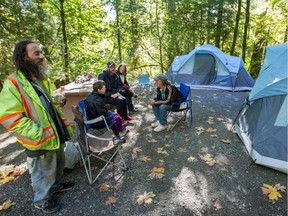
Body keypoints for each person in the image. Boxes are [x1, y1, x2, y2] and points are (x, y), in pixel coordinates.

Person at [0, 40, 74, 214]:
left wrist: (58, 102)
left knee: (57, 162)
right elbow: (9, 117)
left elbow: (47, 103)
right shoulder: (13, 83)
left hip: (54, 132)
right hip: (39, 137)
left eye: (41, 52)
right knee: (42, 170)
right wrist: (36, 132)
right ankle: (42, 199)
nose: (42, 56)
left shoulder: (40, 78)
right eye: (37, 53)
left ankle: (55, 186)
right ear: (24, 57)